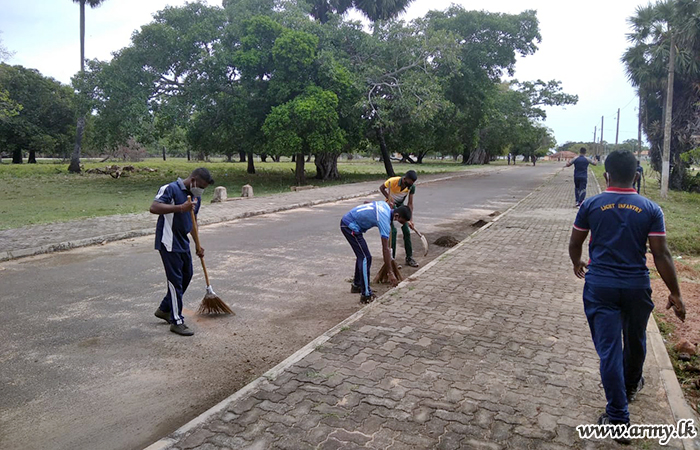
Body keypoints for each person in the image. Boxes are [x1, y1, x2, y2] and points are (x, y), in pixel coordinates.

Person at [568, 150, 685, 443]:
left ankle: (618, 417)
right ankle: (631, 386)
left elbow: (575, 243)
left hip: (600, 288)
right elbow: (661, 254)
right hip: (636, 287)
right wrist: (675, 293)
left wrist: (577, 263)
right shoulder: (650, 209)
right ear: (636, 176)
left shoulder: (591, 204)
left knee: (610, 350)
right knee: (635, 340)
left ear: (606, 176)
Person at [150, 168, 214, 336]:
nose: (201, 190)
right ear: (192, 180)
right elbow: (154, 207)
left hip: (182, 242)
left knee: (187, 275)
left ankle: (164, 308)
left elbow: (193, 221)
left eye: (204, 188)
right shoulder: (170, 189)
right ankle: (176, 321)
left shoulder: (195, 197)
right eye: (200, 186)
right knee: (175, 281)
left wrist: (197, 244)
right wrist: (180, 207)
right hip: (168, 241)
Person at [341, 202, 412, 304]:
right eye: (401, 222)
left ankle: (357, 285)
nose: (401, 225)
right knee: (365, 258)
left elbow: (368, 204)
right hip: (349, 226)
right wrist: (390, 273)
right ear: (396, 216)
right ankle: (366, 295)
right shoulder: (384, 221)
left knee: (362, 256)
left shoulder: (386, 206)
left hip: (349, 222)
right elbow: (385, 248)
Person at [379, 170, 419, 267]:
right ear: (405, 179)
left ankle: (409, 257)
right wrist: (389, 198)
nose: (408, 187)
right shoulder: (393, 181)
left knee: (406, 231)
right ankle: (391, 259)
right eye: (407, 184)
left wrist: (410, 219)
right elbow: (381, 188)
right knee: (393, 232)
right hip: (390, 207)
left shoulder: (411, 187)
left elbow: (410, 204)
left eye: (411, 185)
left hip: (401, 208)